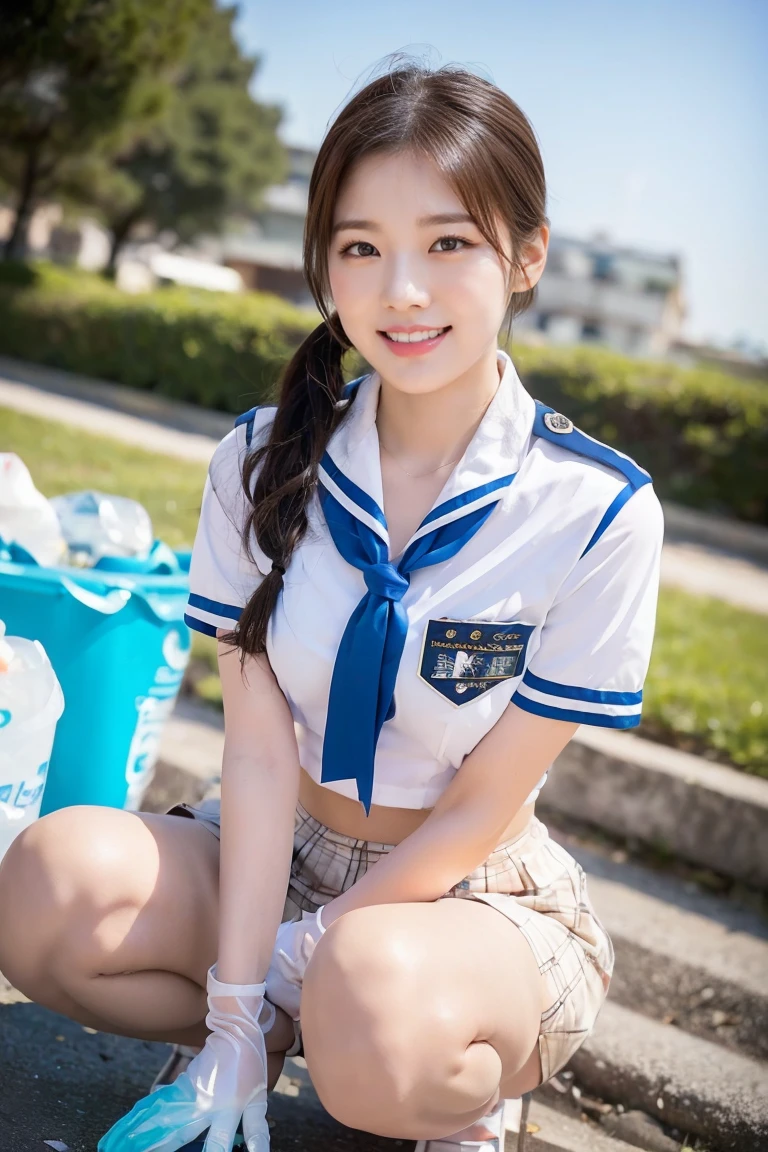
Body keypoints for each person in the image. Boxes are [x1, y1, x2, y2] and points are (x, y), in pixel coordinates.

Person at [0, 57, 663, 1152]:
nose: (401, 289)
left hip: (470, 887)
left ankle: (459, 1091)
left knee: (371, 1003)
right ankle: (263, 1039)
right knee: (44, 887)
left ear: (528, 255)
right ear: (326, 267)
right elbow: (258, 757)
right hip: (279, 836)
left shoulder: (597, 511)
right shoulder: (259, 462)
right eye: (361, 248)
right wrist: (232, 1009)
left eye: (449, 243)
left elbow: (484, 802)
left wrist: (312, 958)